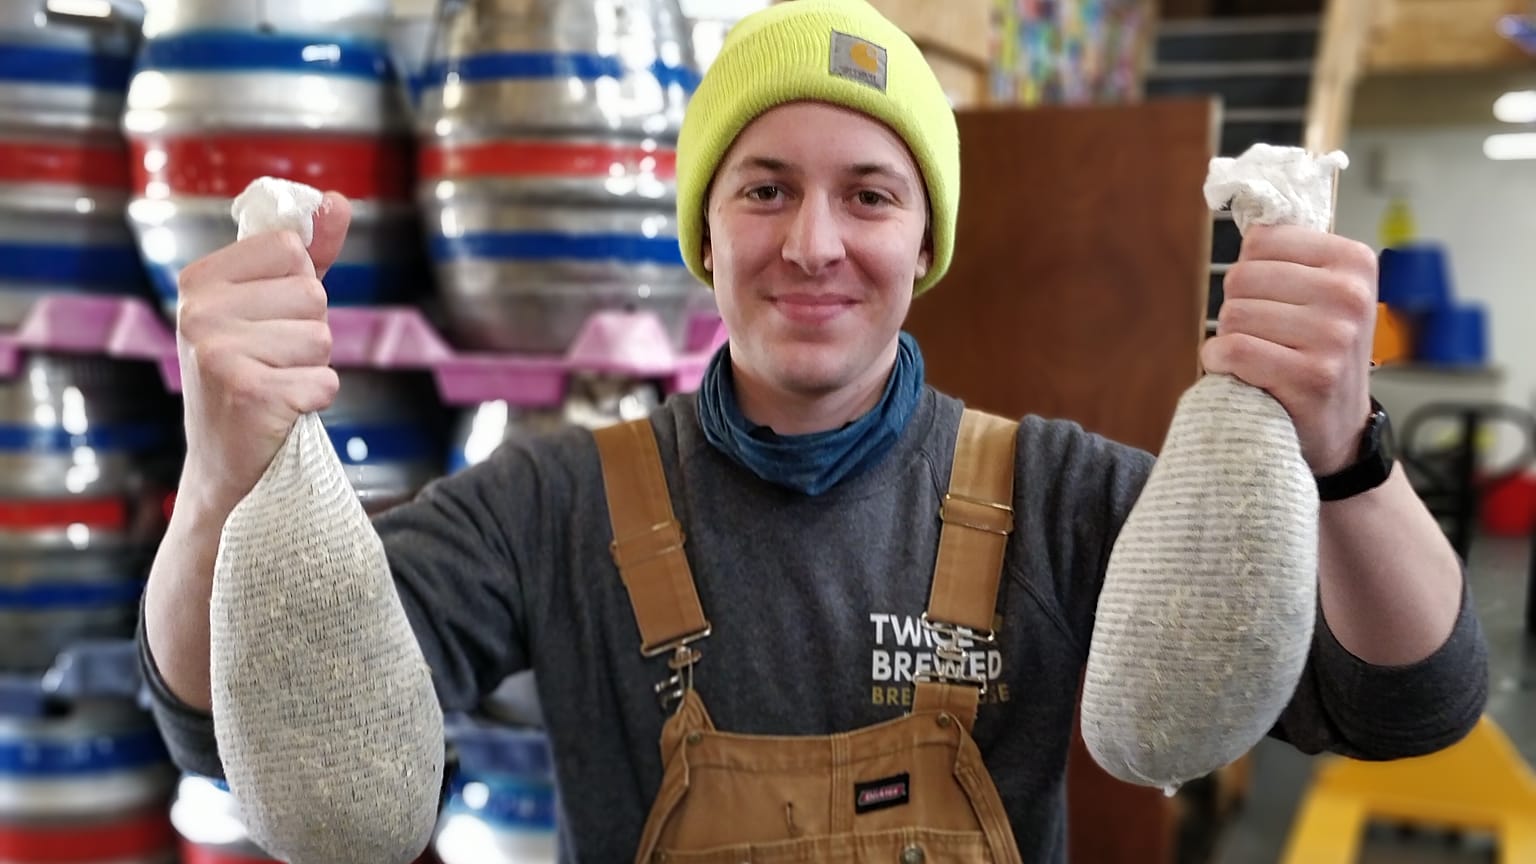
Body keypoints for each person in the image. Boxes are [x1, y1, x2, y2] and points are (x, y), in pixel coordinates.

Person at [137, 0, 1489, 860]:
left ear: (927, 242)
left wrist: (1341, 444)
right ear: (706, 236)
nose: (815, 245)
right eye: (767, 189)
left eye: (872, 195)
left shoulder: (1066, 495)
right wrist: (221, 477)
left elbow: (1409, 700)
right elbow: (233, 731)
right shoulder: (545, 505)